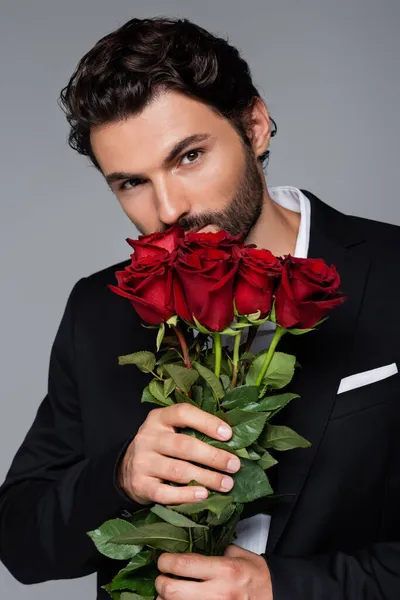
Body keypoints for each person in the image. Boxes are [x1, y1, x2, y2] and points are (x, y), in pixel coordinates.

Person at [1, 15, 399, 600]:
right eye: (131, 183)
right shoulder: (101, 307)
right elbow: (21, 540)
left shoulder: (391, 271)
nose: (168, 209)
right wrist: (121, 476)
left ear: (255, 126)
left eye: (188, 156)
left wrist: (284, 589)